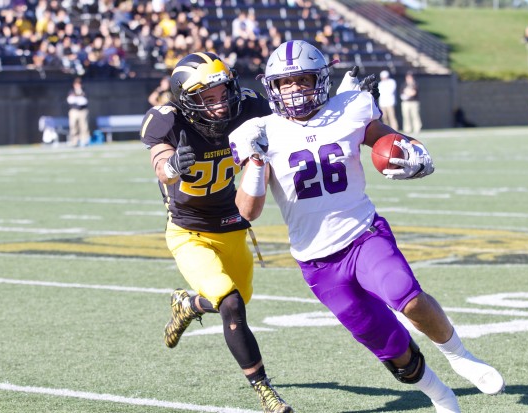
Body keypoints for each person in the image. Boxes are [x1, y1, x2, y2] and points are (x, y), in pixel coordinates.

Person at [230, 40, 505, 413]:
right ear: (272, 87)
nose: (294, 89)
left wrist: (413, 157)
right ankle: (440, 394)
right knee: (391, 348)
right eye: (285, 82)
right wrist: (257, 161)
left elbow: (395, 142)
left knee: (406, 296)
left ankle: (459, 355)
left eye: (303, 79)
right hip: (316, 262)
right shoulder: (258, 131)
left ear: (321, 80)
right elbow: (247, 211)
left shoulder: (351, 108)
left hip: (363, 235)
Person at [138, 51, 373, 413]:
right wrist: (172, 164)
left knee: (233, 299)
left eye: (222, 92)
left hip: (234, 225)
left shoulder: (248, 107)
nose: (218, 104)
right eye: (207, 97)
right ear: (187, 99)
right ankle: (265, 391)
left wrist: (343, 98)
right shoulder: (167, 119)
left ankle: (188, 304)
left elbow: (299, 118)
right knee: (231, 304)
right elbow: (161, 166)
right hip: (190, 231)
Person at [66, 77, 90, 147]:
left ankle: (84, 141)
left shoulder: (84, 91)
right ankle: (74, 141)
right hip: (74, 111)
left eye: (79, 84)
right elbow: (70, 100)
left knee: (84, 126)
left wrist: (77, 97)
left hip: (82, 111)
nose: (78, 86)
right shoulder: (71, 91)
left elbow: (84, 101)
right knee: (73, 126)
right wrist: (77, 98)